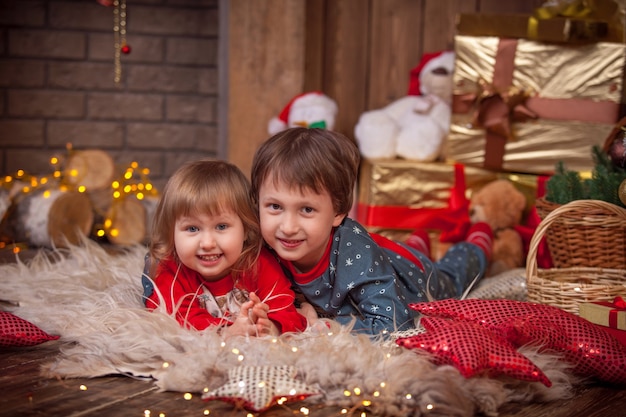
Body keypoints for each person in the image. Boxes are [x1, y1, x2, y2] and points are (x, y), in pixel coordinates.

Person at [250, 127, 493, 336]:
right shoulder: (263, 244)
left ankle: (479, 240)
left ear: (338, 212)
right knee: (391, 255)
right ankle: (416, 242)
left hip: (413, 277)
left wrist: (320, 326)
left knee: (453, 275)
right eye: (275, 206)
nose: (288, 227)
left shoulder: (354, 254)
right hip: (381, 257)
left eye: (306, 209)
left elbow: (393, 325)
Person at [141, 159, 307, 338]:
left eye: (221, 227)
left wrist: (270, 326)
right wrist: (227, 331)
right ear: (172, 232)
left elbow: (284, 308)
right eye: (192, 229)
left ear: (245, 229)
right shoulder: (173, 271)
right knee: (152, 285)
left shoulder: (259, 263)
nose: (207, 243)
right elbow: (175, 317)